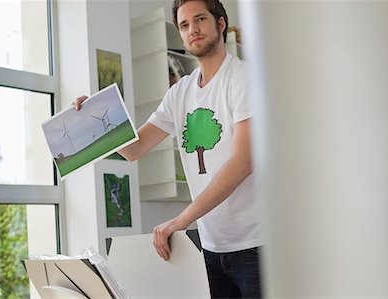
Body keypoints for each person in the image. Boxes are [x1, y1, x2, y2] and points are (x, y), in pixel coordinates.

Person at [74, 0, 263, 297]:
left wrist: (181, 220)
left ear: (221, 23)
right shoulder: (180, 93)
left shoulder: (244, 77)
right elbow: (133, 149)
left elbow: (242, 162)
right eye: (185, 25)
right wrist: (94, 118)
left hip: (256, 244)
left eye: (200, 19)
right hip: (210, 247)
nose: (193, 30)